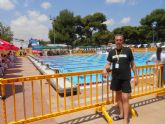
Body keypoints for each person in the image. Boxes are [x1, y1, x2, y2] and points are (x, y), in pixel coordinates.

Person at [102, 34, 138, 124]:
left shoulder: (127, 50)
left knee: (125, 98)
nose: (118, 41)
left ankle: (126, 119)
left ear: (123, 41)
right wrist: (105, 70)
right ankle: (121, 114)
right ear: (115, 41)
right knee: (118, 97)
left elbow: (133, 64)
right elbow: (108, 64)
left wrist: (136, 76)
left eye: (120, 40)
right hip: (116, 78)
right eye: (117, 40)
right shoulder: (112, 52)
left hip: (125, 78)